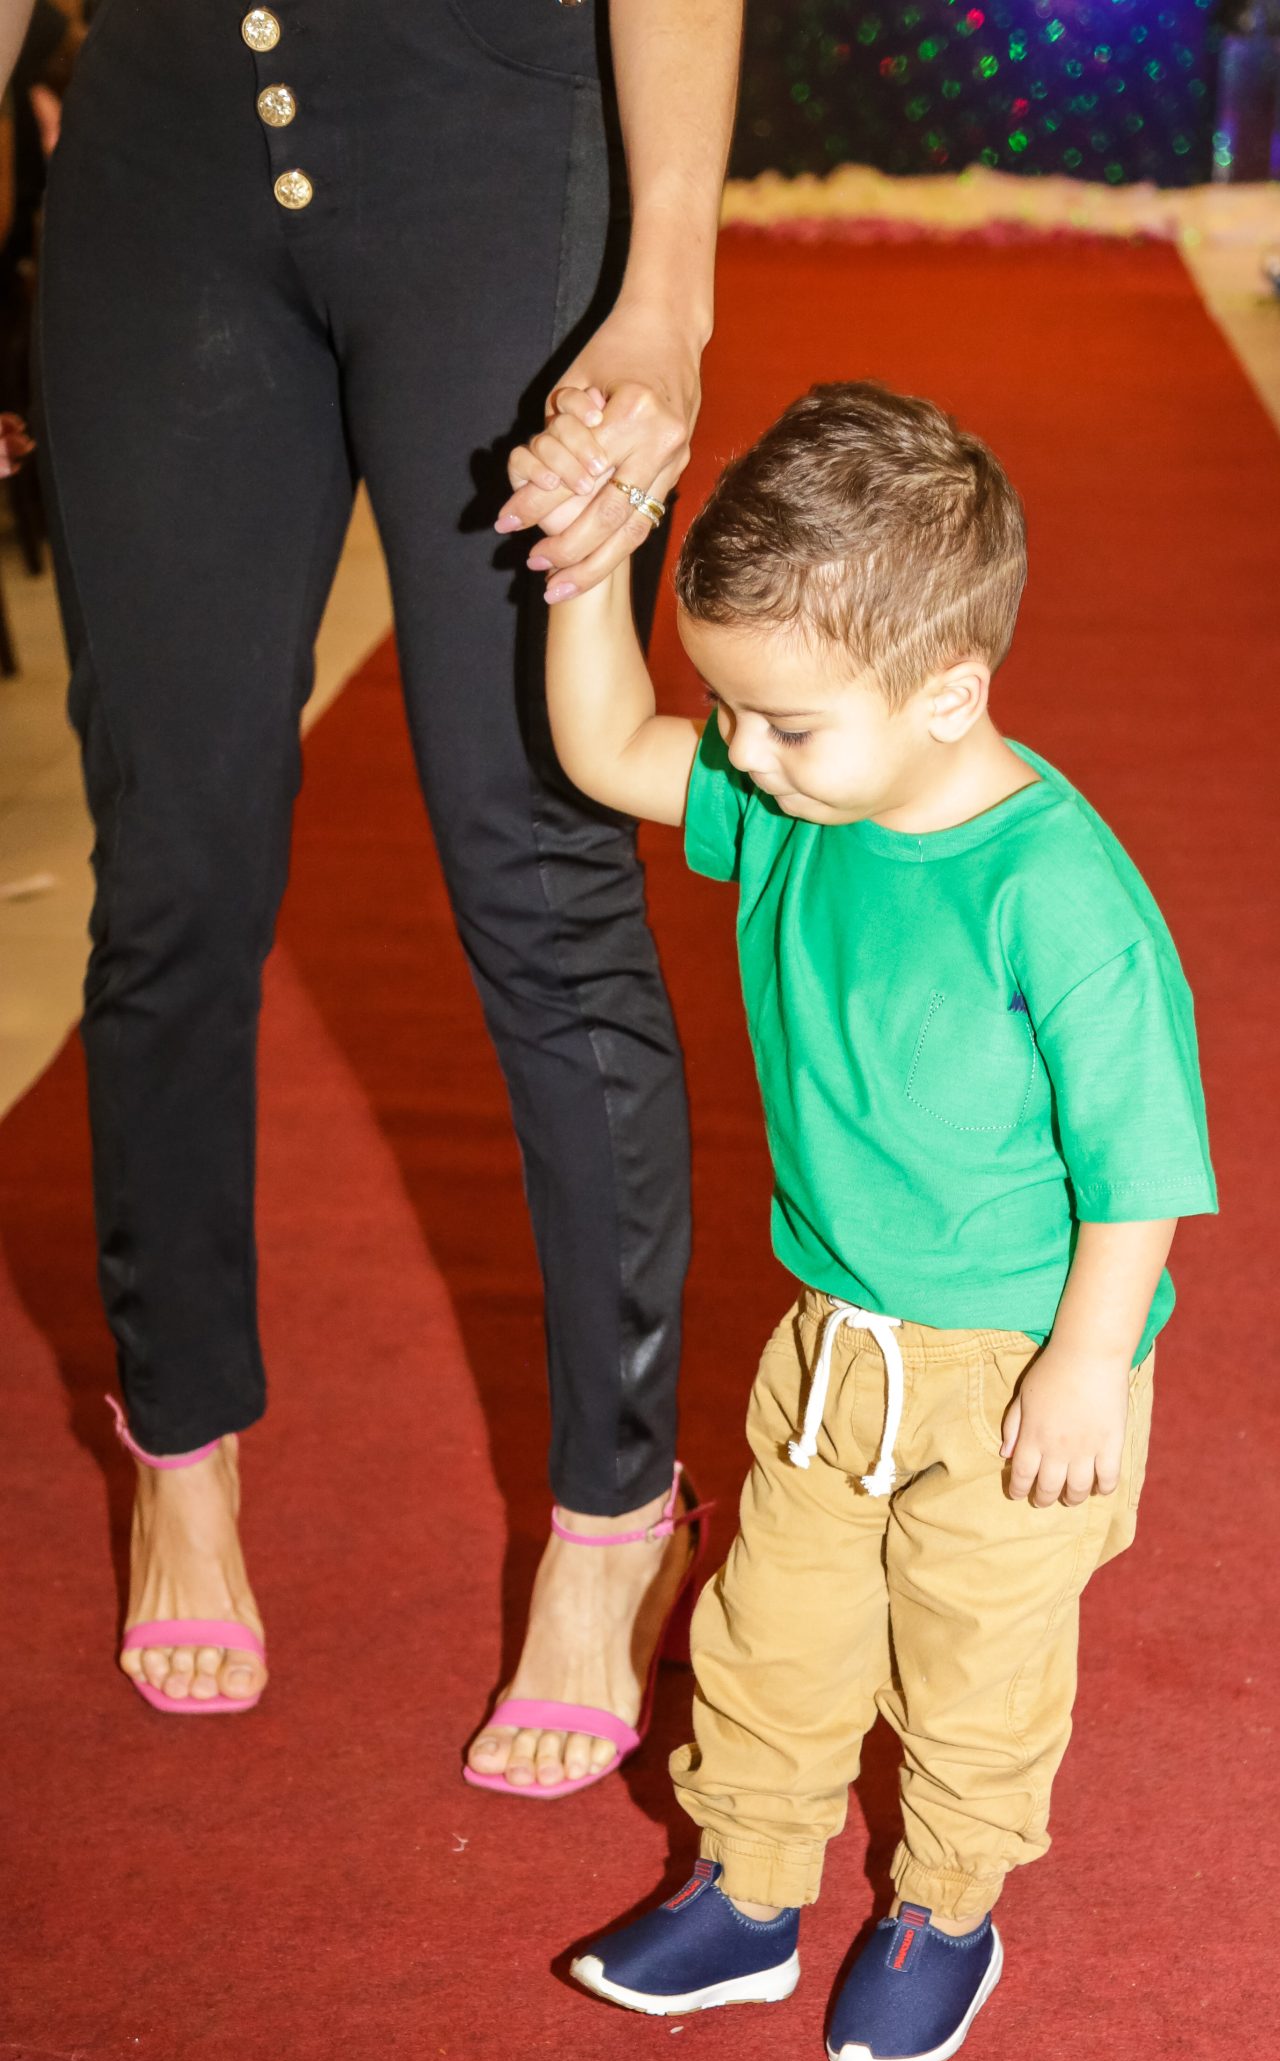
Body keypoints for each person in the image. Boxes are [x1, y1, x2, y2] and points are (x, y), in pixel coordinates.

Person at [21, 0, 741, 1785]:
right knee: (171, 868)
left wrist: (667, 284)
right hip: (158, 154)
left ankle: (613, 1512)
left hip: (490, 145)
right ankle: (179, 1449)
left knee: (540, 853)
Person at [531, 382, 1217, 2061]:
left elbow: (1138, 1163)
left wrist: (1083, 1368)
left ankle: (943, 1912)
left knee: (976, 1664)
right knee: (771, 1629)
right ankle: (748, 1891)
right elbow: (603, 750)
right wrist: (587, 574)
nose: (738, 755)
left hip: (1015, 1367)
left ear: (947, 694)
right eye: (729, 711)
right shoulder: (803, 800)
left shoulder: (1056, 895)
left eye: (782, 724)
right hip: (833, 1341)